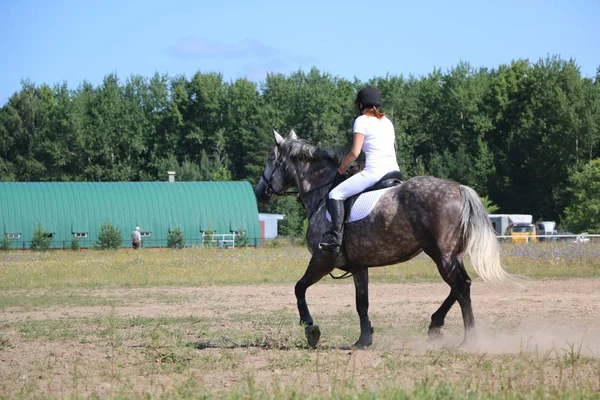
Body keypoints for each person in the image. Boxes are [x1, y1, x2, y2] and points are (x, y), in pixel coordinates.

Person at [319, 86, 401, 252]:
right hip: (394, 171)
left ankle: (335, 238)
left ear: (361, 105)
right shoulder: (387, 122)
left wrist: (342, 168)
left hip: (375, 173)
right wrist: (359, 167)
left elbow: (355, 152)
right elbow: (381, 152)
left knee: (335, 194)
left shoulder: (361, 121)